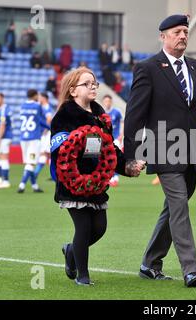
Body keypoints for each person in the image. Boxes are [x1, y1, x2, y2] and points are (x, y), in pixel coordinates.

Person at [123, 14, 196, 288]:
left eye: (185, 31)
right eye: (177, 31)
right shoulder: (147, 68)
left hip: (193, 151)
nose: (183, 36)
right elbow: (135, 114)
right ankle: (191, 269)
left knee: (173, 209)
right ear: (163, 36)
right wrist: (130, 155)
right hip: (162, 149)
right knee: (179, 206)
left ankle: (149, 264)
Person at [50, 67, 144, 286]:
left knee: (99, 228)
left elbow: (110, 150)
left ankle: (71, 250)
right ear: (73, 90)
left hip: (96, 183)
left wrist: (128, 166)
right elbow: (59, 153)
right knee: (83, 228)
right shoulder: (64, 115)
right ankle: (83, 275)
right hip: (72, 183)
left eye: (94, 83)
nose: (92, 86)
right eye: (87, 84)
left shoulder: (101, 116)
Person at [18, 89, 48, 193]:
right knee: (30, 164)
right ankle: (22, 185)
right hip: (34, 138)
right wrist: (50, 127)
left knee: (28, 163)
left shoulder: (22, 106)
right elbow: (40, 121)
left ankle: (34, 186)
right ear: (35, 95)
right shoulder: (37, 106)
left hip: (23, 137)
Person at [101, 94, 123, 187]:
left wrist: (121, 135)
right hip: (106, 139)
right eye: (105, 101)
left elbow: (122, 122)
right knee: (107, 158)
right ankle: (110, 177)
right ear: (103, 102)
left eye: (109, 101)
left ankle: (115, 177)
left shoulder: (117, 112)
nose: (107, 103)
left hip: (116, 138)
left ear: (111, 102)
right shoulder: (101, 113)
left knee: (115, 157)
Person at [0, 93, 13, 189]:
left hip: (5, 137)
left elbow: (2, 126)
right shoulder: (4, 109)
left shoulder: (4, 110)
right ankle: (0, 178)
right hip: (4, 137)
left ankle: (6, 181)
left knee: (3, 157)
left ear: (2, 99)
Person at [34, 92, 54, 179]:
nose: (39, 99)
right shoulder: (43, 107)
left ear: (44, 98)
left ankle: (35, 173)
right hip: (46, 133)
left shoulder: (46, 107)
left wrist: (45, 130)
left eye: (40, 97)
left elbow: (49, 119)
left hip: (46, 133)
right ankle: (52, 174)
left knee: (46, 153)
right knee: (47, 154)